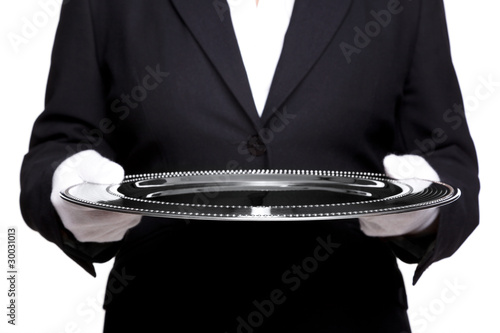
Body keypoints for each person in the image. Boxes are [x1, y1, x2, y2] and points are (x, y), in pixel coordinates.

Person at [20, 0, 480, 332]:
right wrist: (66, 195)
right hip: (162, 314)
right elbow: (59, 144)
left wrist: (425, 210)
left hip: (351, 314)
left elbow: (449, 157)